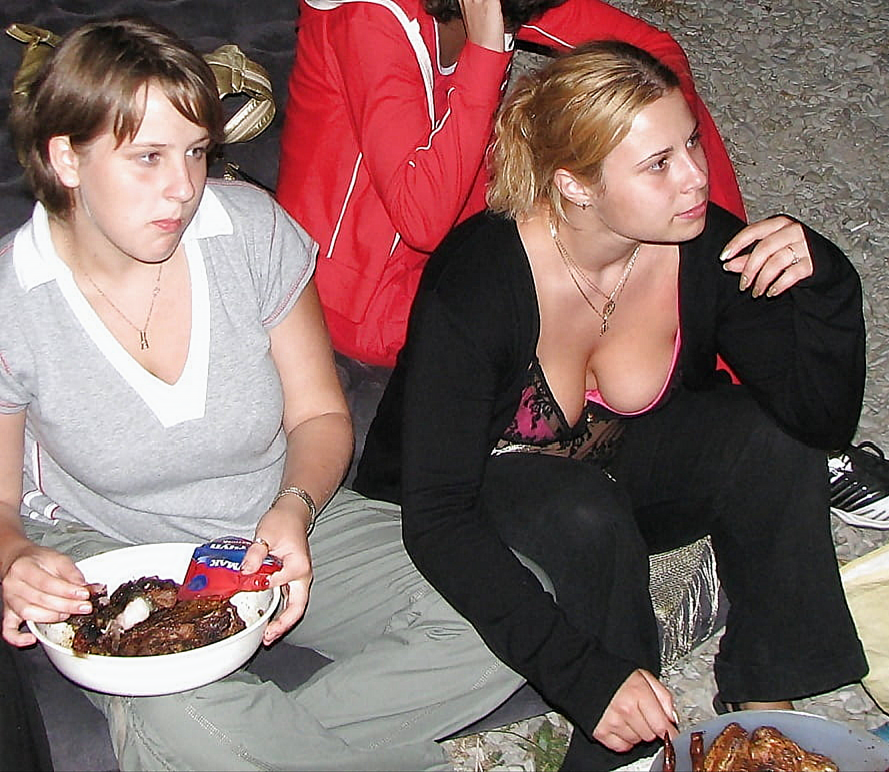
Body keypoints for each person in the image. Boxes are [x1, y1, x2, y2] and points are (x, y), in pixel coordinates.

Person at [0, 17, 522, 771]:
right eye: (147, 157)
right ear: (66, 159)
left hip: (269, 516)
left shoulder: (249, 231)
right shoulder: (13, 299)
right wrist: (15, 555)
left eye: (196, 152)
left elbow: (319, 414)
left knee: (509, 608)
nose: (183, 187)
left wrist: (295, 507)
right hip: (109, 551)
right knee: (174, 697)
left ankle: (229, 743)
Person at [354, 41, 870, 769]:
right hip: (484, 494)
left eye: (691, 143)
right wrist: (585, 677)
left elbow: (818, 423)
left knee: (766, 436)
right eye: (659, 164)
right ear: (576, 186)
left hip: (620, 476)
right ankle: (620, 749)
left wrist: (830, 285)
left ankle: (766, 698)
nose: (696, 176)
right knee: (585, 514)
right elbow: (435, 516)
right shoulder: (479, 281)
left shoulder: (703, 245)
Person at [275, 0, 745, 371]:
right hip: (364, 297)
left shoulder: (497, 4)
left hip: (471, 226)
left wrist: (663, 138)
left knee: (658, 137)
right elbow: (421, 220)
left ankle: (730, 276)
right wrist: (486, 50)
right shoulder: (367, 19)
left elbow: (653, 50)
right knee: (619, 300)